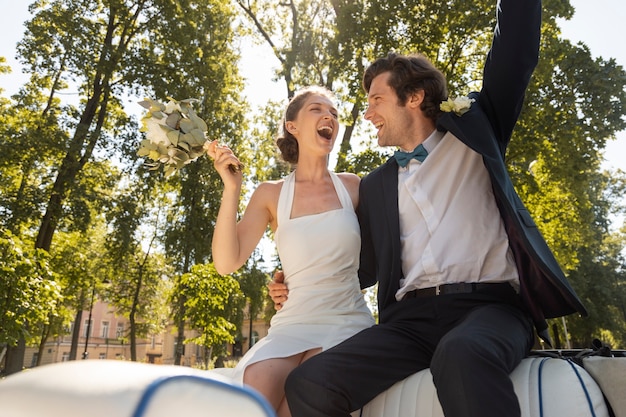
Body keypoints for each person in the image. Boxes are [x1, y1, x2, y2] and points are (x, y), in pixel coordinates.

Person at [277, 1, 588, 416]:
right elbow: (359, 267)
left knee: (460, 354)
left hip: (491, 309)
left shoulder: (478, 129)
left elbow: (515, 47)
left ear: (415, 97)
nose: (366, 114)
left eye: (376, 100)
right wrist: (290, 281)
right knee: (310, 382)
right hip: (409, 322)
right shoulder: (376, 185)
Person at [207, 86, 375, 417]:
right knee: (255, 390)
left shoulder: (353, 187)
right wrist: (232, 189)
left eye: (334, 114)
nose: (329, 116)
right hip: (292, 322)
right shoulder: (271, 194)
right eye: (317, 109)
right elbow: (227, 263)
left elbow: (381, 258)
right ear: (292, 126)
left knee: (300, 398)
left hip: (345, 320)